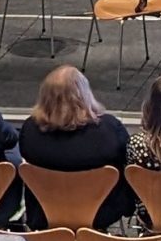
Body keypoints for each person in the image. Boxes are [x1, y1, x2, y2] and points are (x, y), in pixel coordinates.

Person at [15, 65, 132, 228]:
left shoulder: (30, 132)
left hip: (45, 212)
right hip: (101, 213)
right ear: (84, 95)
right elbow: (127, 161)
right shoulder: (110, 130)